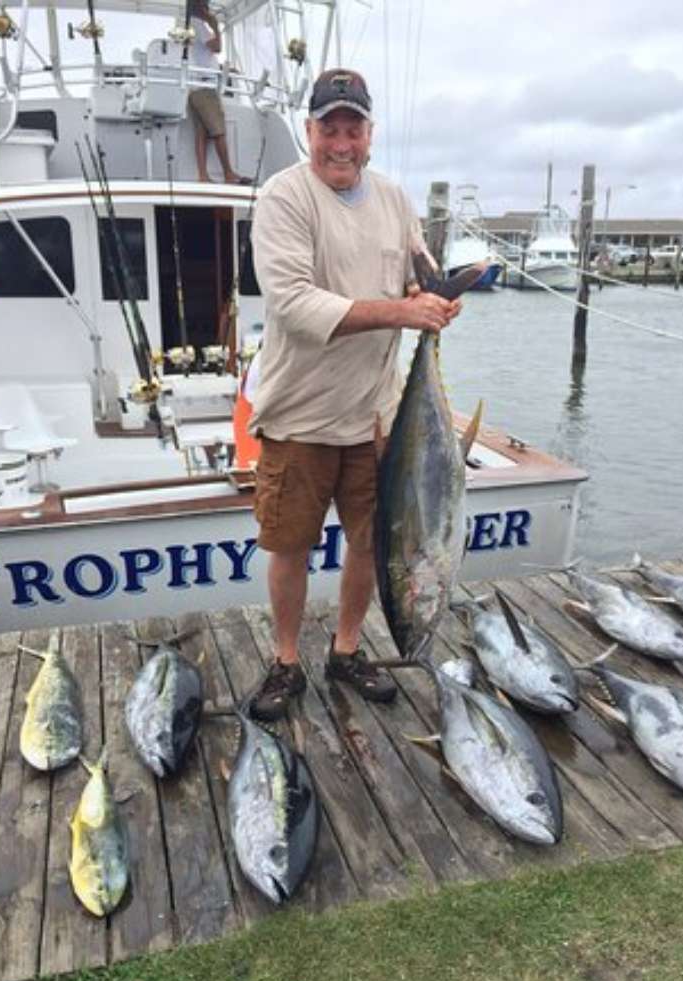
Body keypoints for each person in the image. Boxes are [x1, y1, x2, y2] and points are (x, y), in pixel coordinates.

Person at [246, 67, 460, 722]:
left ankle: (345, 651)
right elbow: (294, 304)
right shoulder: (284, 198)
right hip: (298, 417)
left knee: (371, 541)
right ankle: (286, 661)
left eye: (354, 128)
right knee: (290, 545)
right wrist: (404, 314)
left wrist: (435, 301)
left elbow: (418, 271)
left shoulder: (395, 199)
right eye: (328, 128)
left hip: (375, 418)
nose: (341, 143)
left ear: (370, 134)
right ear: (309, 130)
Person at [187, 0, 250, 185]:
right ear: (198, 5)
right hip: (205, 88)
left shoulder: (189, 25)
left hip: (195, 87)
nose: (207, 7)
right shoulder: (198, 24)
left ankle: (202, 176)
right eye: (205, 3)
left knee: (202, 133)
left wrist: (224, 69)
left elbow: (203, 57)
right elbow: (216, 47)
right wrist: (214, 24)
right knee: (218, 131)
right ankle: (228, 173)